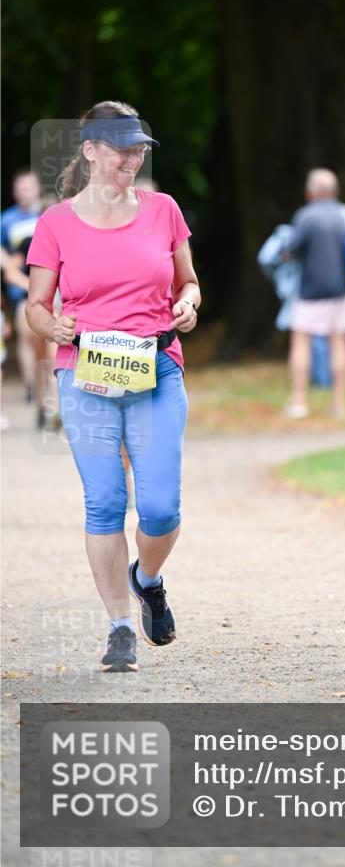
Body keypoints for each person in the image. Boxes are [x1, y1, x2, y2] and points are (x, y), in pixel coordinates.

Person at [26, 100, 200, 673]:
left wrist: (188, 304)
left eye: (139, 148)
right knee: (104, 501)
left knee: (159, 506)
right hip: (85, 371)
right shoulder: (55, 223)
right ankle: (120, 627)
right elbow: (36, 306)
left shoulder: (163, 210)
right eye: (121, 147)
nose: (132, 158)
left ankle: (146, 578)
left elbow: (189, 282)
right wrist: (53, 326)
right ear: (91, 150)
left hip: (156, 368)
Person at [284, 168, 345, 419]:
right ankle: (339, 405)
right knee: (340, 343)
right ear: (334, 191)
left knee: (300, 342)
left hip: (309, 292)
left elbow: (288, 251)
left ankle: (299, 401)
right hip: (342, 291)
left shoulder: (305, 216)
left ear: (311, 191)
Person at [1, 170, 56, 423]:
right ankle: (38, 397)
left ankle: (55, 407)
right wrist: (35, 290)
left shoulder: (71, 238)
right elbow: (12, 271)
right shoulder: (26, 241)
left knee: (55, 353)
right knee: (37, 348)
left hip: (62, 303)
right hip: (30, 299)